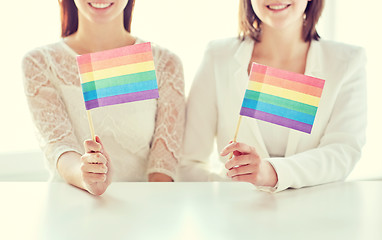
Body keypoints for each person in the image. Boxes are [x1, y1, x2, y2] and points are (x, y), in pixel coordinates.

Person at [180, 0, 367, 192]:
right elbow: (188, 163)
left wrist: (270, 172)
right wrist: (229, 192)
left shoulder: (347, 61)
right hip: (237, 215)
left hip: (314, 214)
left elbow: (342, 151)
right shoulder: (218, 56)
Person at [22, 0, 185, 195]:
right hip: (70, 208)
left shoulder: (165, 63)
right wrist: (87, 176)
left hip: (141, 212)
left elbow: (162, 169)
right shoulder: (40, 63)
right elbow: (60, 148)